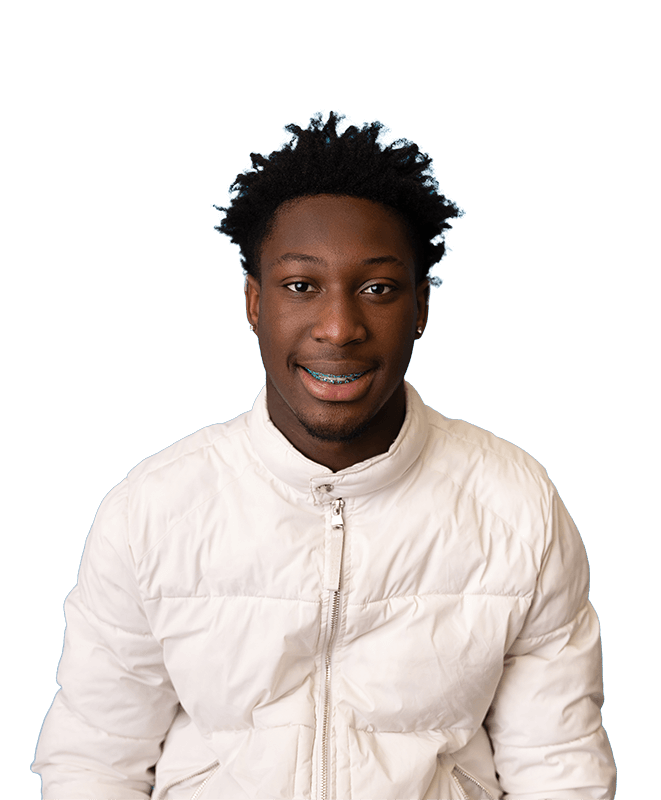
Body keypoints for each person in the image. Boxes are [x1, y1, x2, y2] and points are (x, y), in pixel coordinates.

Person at [32, 111, 616, 799]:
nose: (339, 328)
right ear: (253, 302)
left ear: (422, 308)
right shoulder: (153, 507)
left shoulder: (515, 502)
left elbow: (559, 767)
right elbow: (96, 761)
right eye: (301, 286)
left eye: (377, 288)